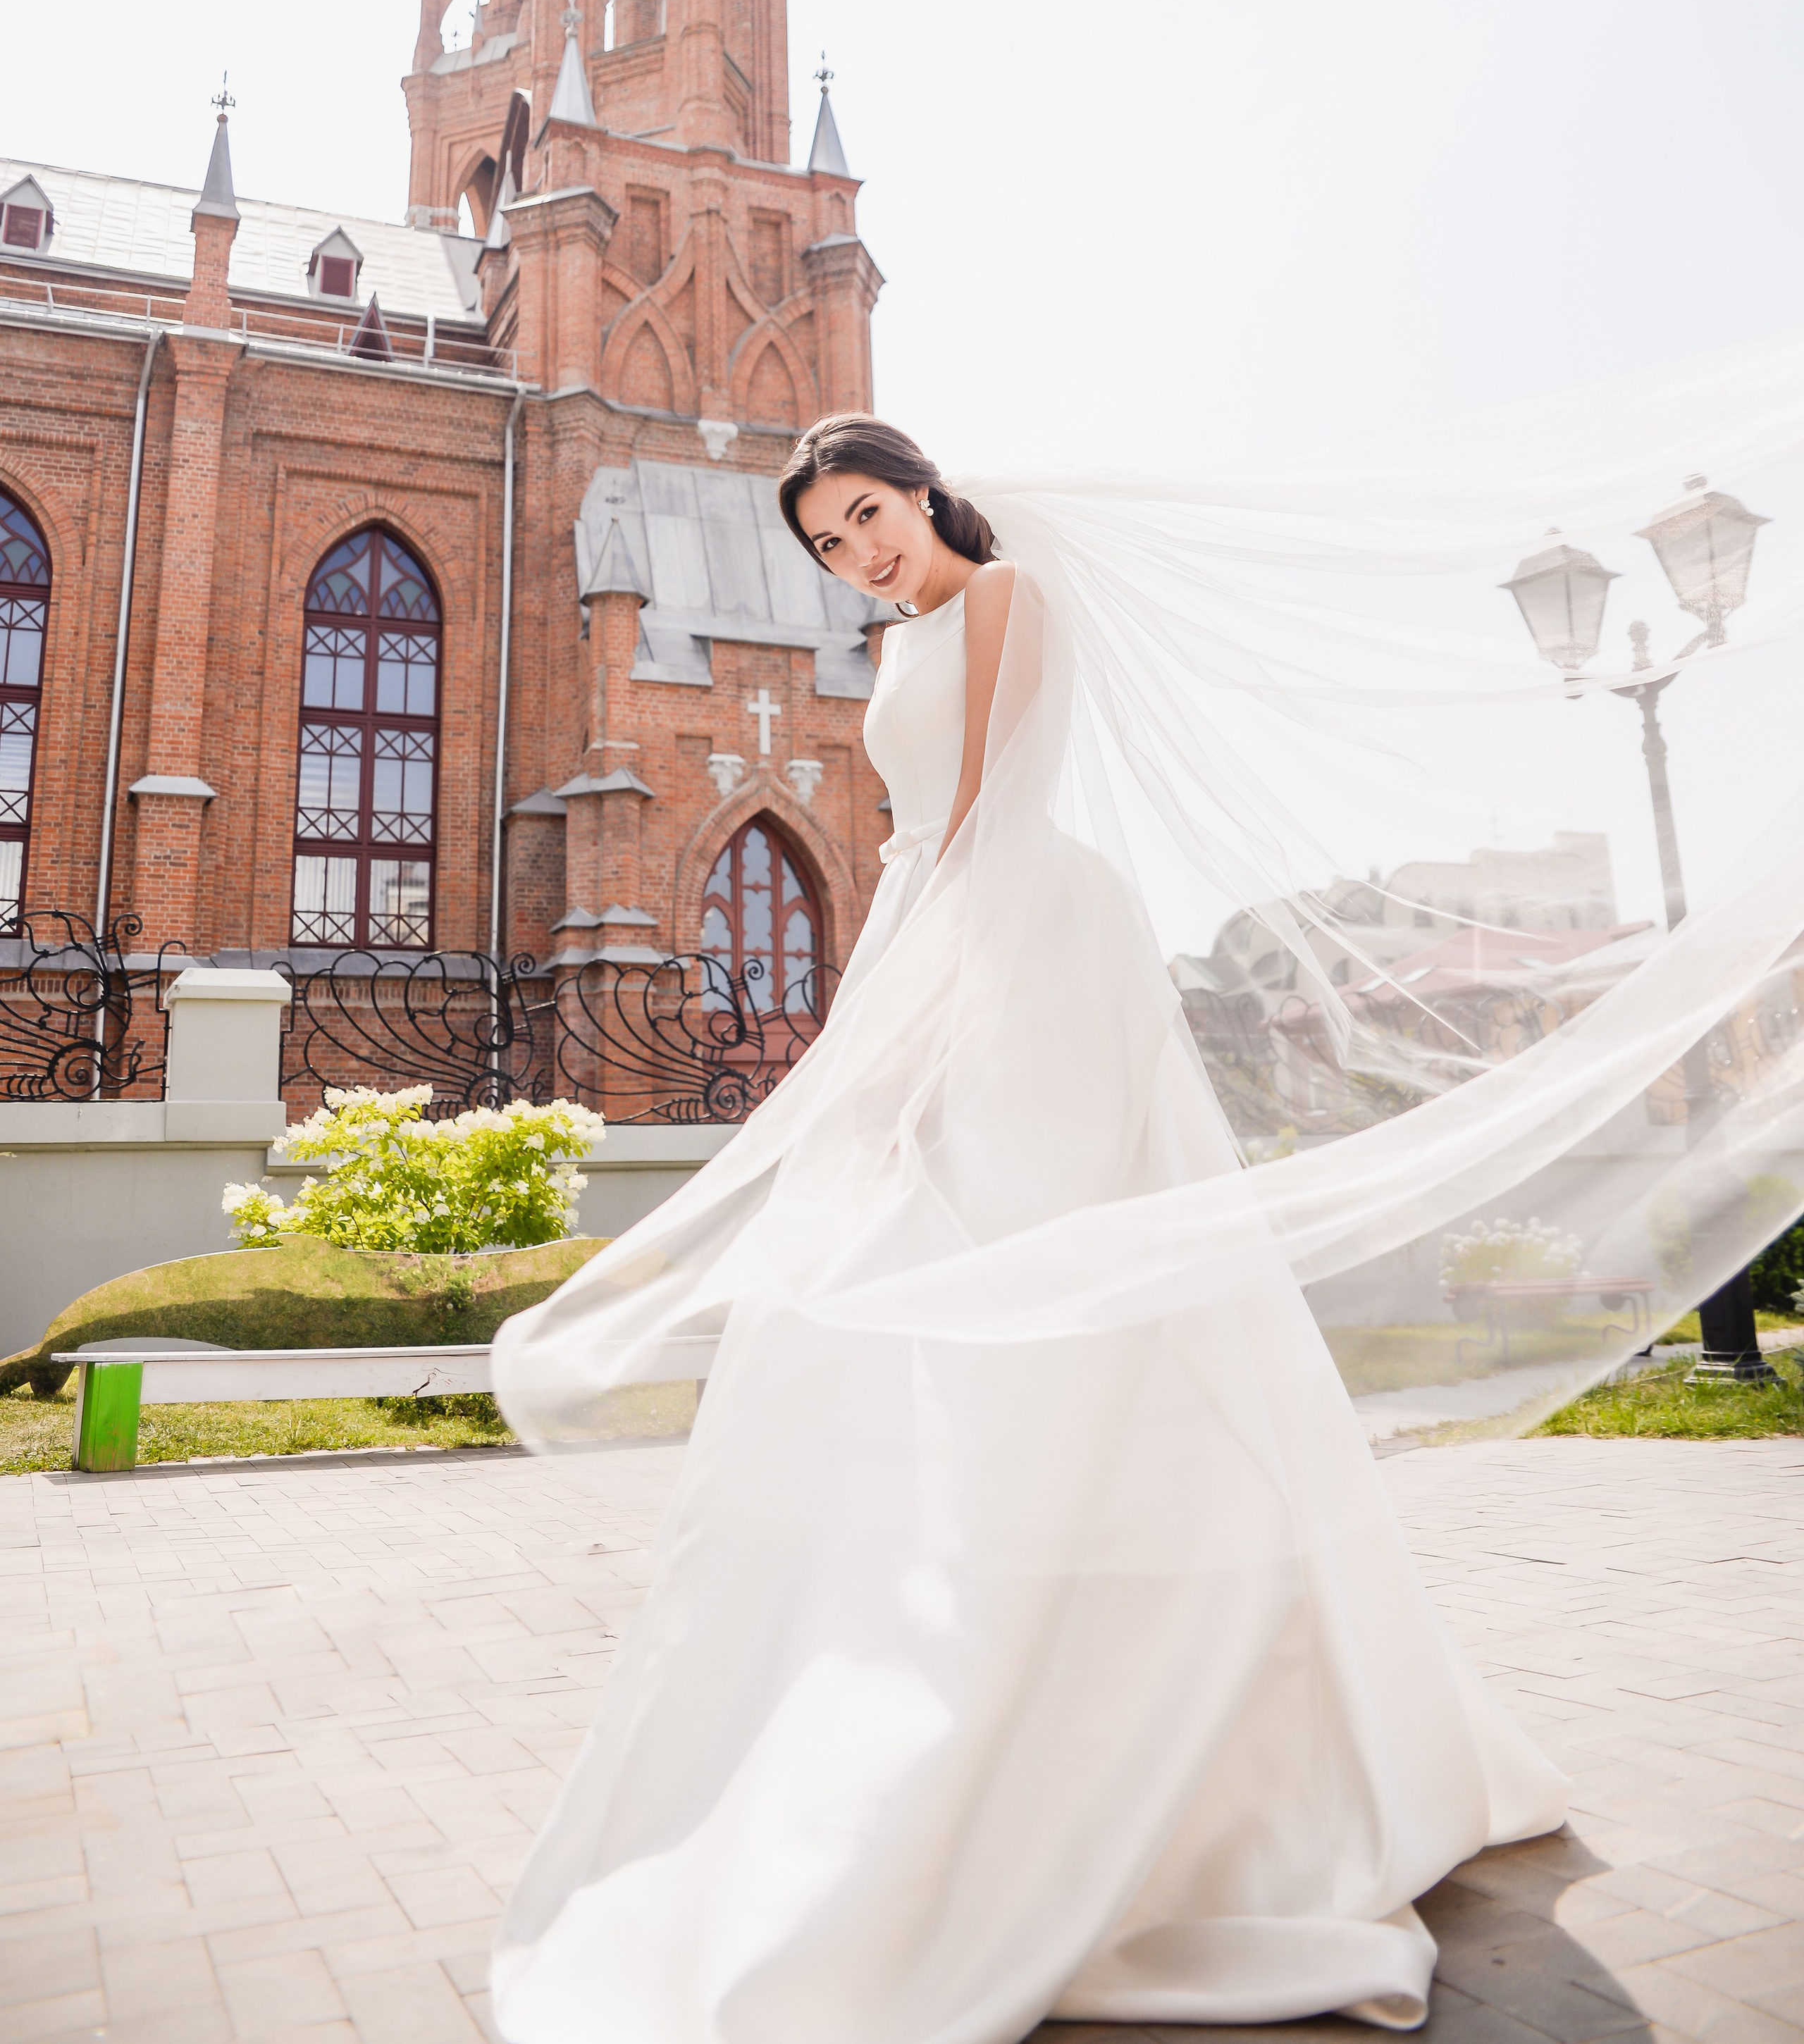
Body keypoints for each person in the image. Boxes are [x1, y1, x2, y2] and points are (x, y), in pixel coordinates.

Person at [491, 412, 1570, 2041]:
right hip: (941, 923)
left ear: (920, 491)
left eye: (866, 514)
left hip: (1018, 938)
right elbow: (922, 829)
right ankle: (965, 1618)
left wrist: (906, 1021)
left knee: (1035, 1253)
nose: (854, 550)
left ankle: (1089, 1672)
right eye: (826, 540)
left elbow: (982, 813)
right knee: (932, 1268)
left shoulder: (997, 600)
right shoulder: (903, 630)